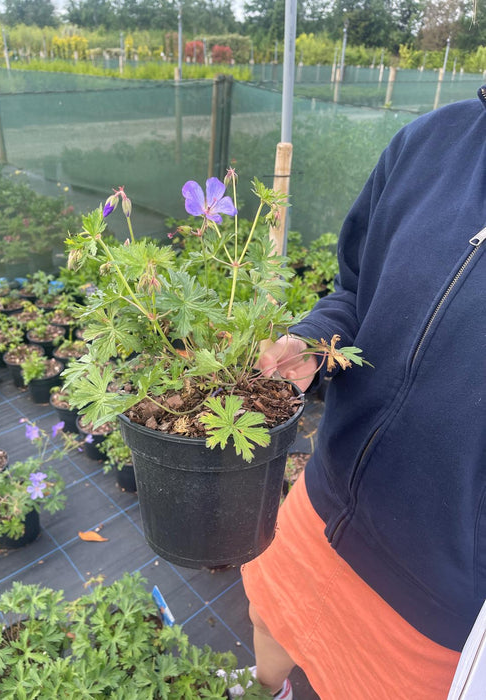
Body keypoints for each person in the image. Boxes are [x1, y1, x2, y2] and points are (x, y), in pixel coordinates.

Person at [232, 85, 486, 699]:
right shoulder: (432, 141)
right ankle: (268, 687)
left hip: (434, 591)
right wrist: (314, 340)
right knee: (269, 613)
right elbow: (353, 289)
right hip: (324, 494)